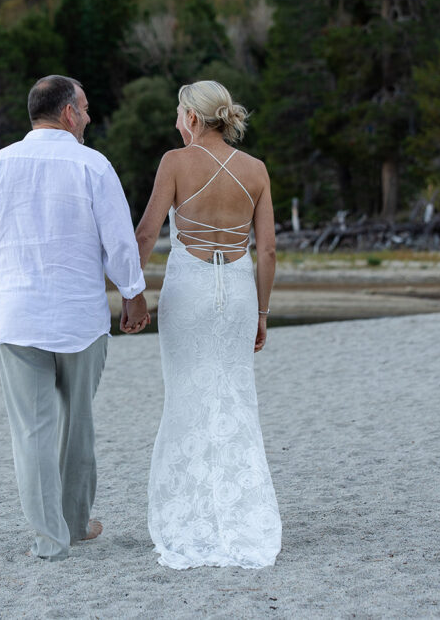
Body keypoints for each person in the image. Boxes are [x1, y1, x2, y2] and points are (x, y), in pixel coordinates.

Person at [0, 75, 150, 561]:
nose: (88, 117)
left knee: (32, 431)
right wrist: (133, 294)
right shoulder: (92, 165)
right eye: (84, 109)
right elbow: (119, 240)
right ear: (68, 113)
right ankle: (75, 523)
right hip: (80, 318)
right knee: (77, 424)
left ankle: (49, 540)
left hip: (18, 316)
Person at [134, 80, 282, 569]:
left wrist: (131, 295)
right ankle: (241, 509)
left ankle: (190, 511)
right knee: (235, 393)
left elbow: (147, 232)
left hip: (189, 291)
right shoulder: (256, 169)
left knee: (185, 396)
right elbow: (268, 250)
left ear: (193, 119)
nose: (177, 124)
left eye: (180, 115)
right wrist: (261, 313)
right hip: (238, 291)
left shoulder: (174, 163)